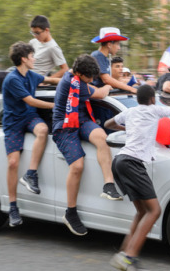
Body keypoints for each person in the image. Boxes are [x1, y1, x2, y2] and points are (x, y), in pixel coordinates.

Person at [104, 85, 170, 270]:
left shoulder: (130, 112)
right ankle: (129, 257)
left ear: (137, 99)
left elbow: (107, 125)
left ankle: (124, 253)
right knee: (154, 211)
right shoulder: (154, 110)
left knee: (142, 211)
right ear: (152, 99)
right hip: (132, 163)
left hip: (119, 161)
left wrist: (127, 128)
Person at [52, 54, 119, 236]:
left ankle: (108, 185)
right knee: (77, 165)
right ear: (80, 73)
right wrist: (108, 84)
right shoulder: (72, 83)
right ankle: (70, 212)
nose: (91, 81)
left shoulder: (78, 79)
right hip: (64, 125)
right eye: (89, 78)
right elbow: (101, 93)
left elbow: (92, 89)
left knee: (101, 137)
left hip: (80, 120)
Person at [2, 42, 57, 227]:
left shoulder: (31, 75)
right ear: (24, 59)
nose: (35, 59)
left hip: (29, 117)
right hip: (13, 123)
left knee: (42, 130)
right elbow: (31, 101)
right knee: (13, 163)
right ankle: (12, 207)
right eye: (32, 56)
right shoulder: (12, 79)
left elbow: (50, 80)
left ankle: (30, 175)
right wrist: (55, 106)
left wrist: (73, 77)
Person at [91, 27, 137, 94]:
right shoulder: (98, 55)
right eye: (118, 44)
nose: (119, 48)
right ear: (109, 44)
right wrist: (131, 89)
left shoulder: (104, 58)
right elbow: (106, 80)